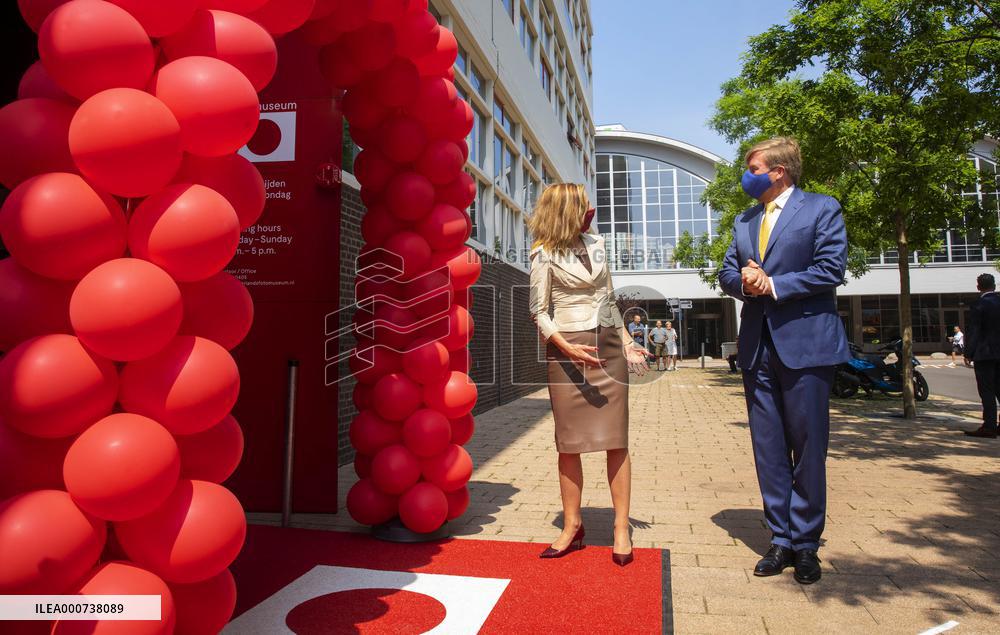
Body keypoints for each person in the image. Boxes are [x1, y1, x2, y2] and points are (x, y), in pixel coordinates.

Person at [718, 137, 850, 585]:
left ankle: (807, 543)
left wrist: (772, 283)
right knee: (769, 449)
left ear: (778, 171)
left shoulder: (820, 208)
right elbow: (727, 271)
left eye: (753, 166)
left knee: (808, 447)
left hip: (807, 345)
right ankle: (781, 538)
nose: (747, 174)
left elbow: (831, 269)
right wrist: (745, 284)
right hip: (757, 347)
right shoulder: (744, 219)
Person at [528, 183, 652, 567]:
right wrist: (565, 347)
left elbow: (609, 298)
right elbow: (539, 311)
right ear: (567, 210)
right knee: (569, 443)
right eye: (583, 204)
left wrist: (628, 341)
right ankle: (572, 526)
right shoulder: (543, 254)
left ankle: (620, 527)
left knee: (616, 440)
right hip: (567, 353)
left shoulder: (597, 244)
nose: (591, 209)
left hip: (608, 349)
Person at [963, 273, 1000, 438]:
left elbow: (974, 330)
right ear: (995, 285)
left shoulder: (979, 305)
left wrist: (968, 352)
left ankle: (990, 426)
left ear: (978, 287)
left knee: (987, 391)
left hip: (985, 354)